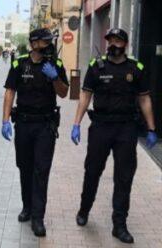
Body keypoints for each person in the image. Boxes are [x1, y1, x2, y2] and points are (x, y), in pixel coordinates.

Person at [71, 28, 158, 244]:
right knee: (92, 171)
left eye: (119, 40)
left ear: (125, 44)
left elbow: (144, 99)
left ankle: (119, 225)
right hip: (101, 126)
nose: (114, 44)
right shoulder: (96, 66)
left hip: (126, 129)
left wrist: (152, 128)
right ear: (107, 42)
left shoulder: (135, 68)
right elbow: (85, 95)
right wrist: (76, 123)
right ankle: (84, 209)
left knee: (124, 177)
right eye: (111, 40)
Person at [1, 28, 69, 237]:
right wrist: (4, 120)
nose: (48, 45)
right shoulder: (19, 63)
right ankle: (27, 207)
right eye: (44, 42)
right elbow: (10, 92)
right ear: (33, 43)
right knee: (25, 167)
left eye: (49, 41)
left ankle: (38, 217)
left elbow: (64, 92)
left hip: (45, 126)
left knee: (41, 170)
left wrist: (55, 77)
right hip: (23, 123)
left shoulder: (55, 65)